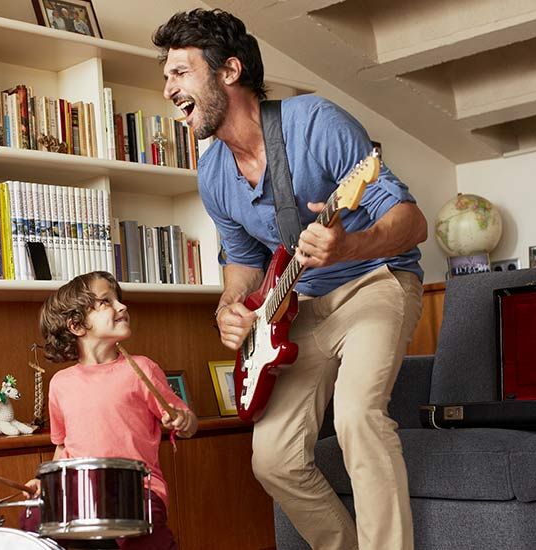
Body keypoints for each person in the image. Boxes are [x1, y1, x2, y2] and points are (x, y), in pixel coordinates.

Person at [155, 9, 428, 550]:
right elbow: (242, 262)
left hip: (376, 283)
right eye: (166, 76)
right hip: (298, 307)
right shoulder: (212, 173)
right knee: (273, 460)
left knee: (357, 419)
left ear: (228, 71)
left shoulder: (315, 122)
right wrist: (230, 306)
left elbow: (412, 221)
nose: (168, 89)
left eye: (180, 72)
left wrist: (350, 243)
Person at [24, 271, 198, 550]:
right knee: (33, 520)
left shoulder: (142, 368)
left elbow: (187, 424)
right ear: (77, 325)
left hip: (139, 491)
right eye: (106, 301)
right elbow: (63, 447)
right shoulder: (60, 384)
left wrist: (182, 419)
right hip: (82, 492)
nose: (122, 306)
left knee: (141, 535)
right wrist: (45, 483)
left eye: (119, 299)